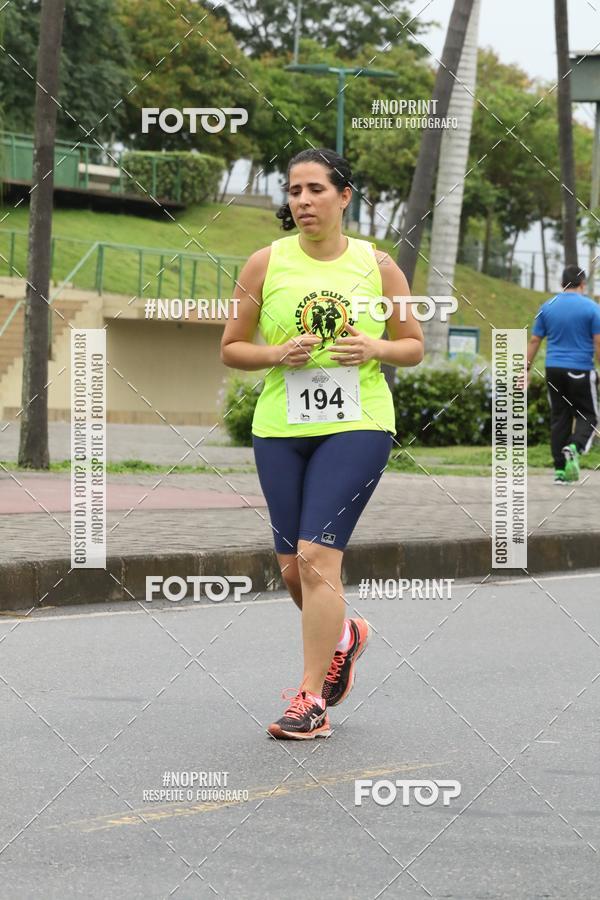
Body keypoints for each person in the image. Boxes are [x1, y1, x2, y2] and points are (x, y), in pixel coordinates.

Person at [220, 148, 424, 739]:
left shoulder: (380, 266)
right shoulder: (265, 264)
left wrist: (376, 348)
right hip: (281, 429)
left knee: (317, 558)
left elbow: (412, 343)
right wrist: (276, 353)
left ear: (343, 196)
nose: (303, 201)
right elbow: (232, 348)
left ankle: (310, 700)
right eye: (293, 191)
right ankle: (344, 638)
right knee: (292, 570)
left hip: (357, 425)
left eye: (314, 189)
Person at [526, 265, 600, 484]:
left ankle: (559, 471)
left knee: (560, 417)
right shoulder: (592, 308)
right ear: (583, 284)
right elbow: (598, 341)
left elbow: (534, 340)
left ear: (561, 283)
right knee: (590, 416)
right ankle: (575, 447)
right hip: (580, 369)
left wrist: (526, 369)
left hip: (553, 369)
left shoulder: (547, 306)